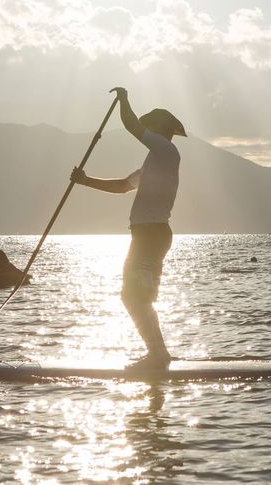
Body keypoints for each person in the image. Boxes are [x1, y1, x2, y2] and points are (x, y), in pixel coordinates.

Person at [70, 87, 185, 370]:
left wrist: (124, 99)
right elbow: (122, 186)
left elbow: (132, 125)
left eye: (151, 128)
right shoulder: (154, 162)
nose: (147, 132)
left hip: (151, 235)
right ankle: (159, 353)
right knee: (137, 296)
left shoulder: (167, 151)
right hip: (148, 235)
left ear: (160, 130)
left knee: (133, 296)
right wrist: (85, 181)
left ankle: (158, 354)